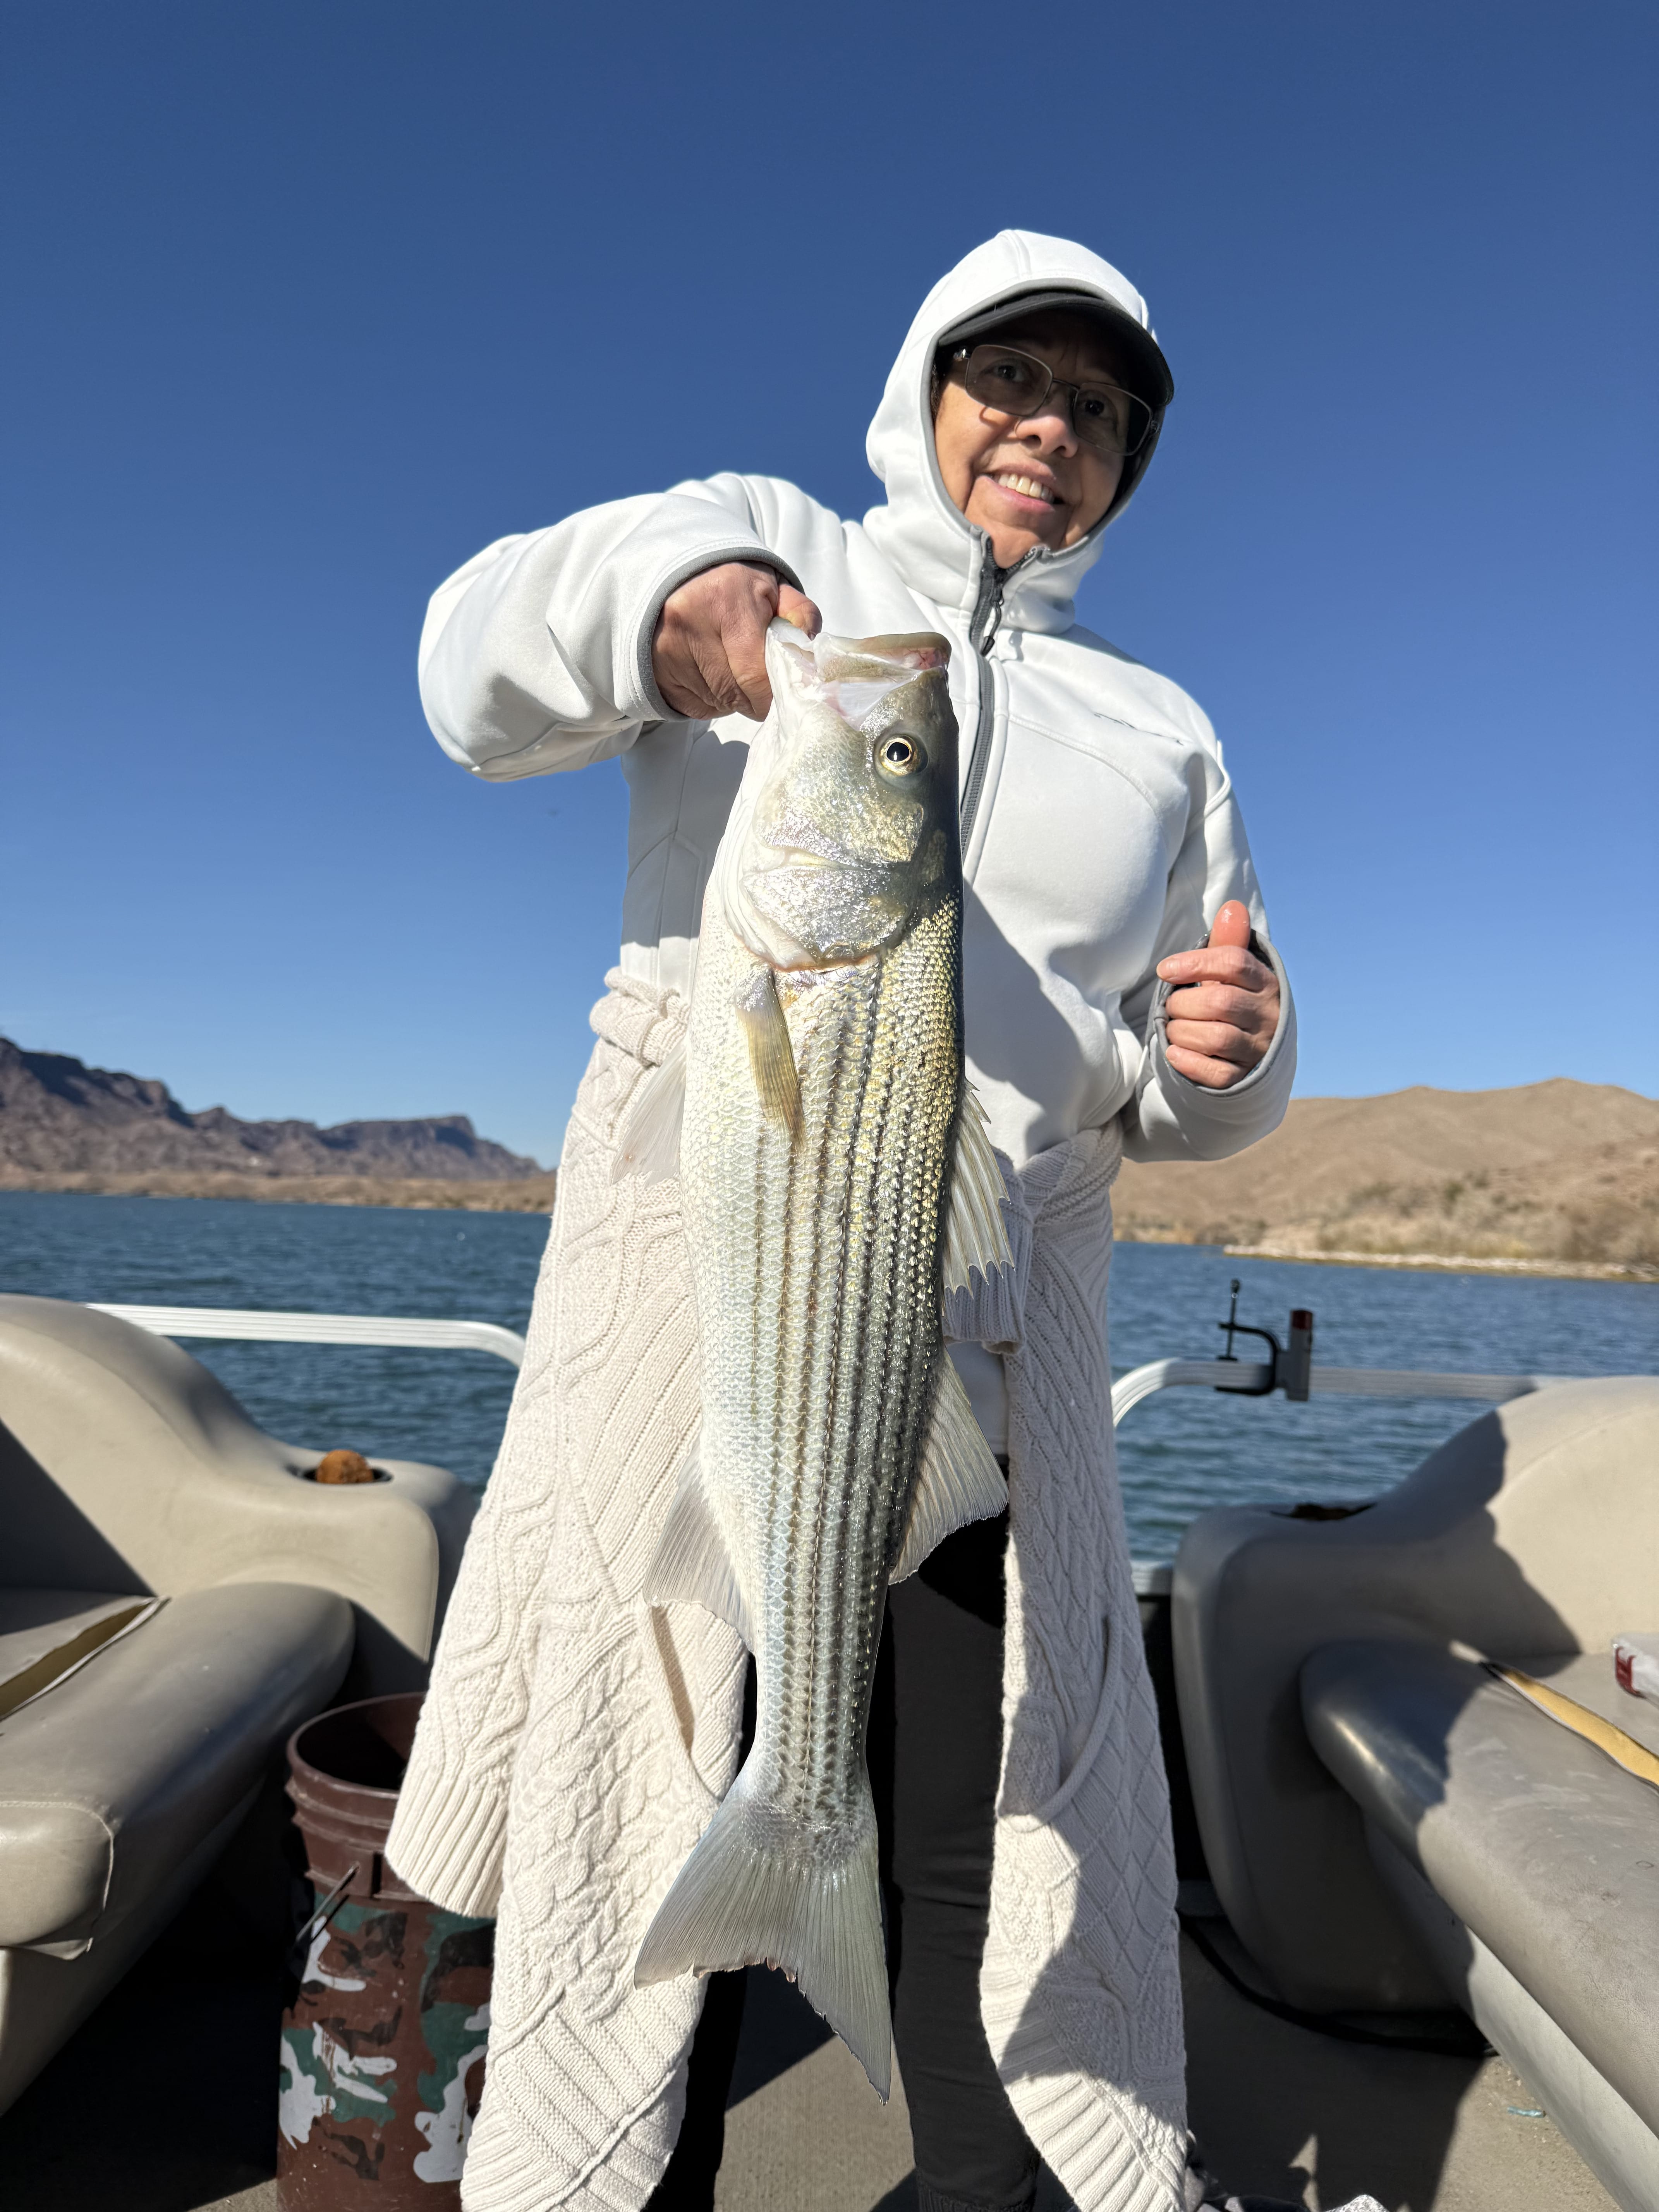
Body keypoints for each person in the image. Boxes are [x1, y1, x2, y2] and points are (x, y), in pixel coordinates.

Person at [388, 232, 1377, 2212]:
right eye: (1011, 379)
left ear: (1125, 469)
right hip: (704, 1308)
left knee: (975, 1850)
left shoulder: (1162, 729)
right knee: (616, 1824)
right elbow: (466, 668)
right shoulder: (771, 550)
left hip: (996, 1349)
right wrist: (663, 619)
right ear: (926, 390)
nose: (1052, 431)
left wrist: (1229, 1054)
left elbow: (1182, 1081)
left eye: (1101, 412)